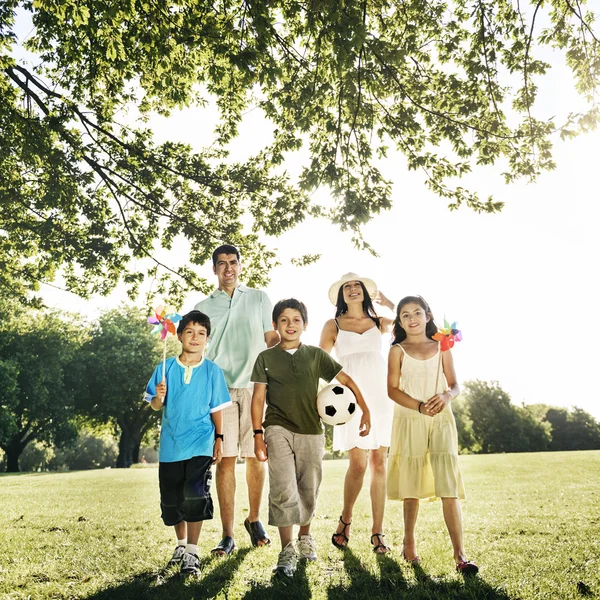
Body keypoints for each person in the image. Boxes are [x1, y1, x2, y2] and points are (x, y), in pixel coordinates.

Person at [251, 299, 371, 577]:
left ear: (305, 325)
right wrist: (258, 434)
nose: (290, 325)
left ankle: (305, 538)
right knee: (282, 485)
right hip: (277, 427)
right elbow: (258, 398)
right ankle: (287, 549)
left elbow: (347, 381)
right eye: (284, 320)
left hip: (311, 431)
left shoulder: (316, 356)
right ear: (275, 325)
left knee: (308, 487)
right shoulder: (265, 358)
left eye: (296, 320)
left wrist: (364, 408)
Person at [195, 244, 279, 555]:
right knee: (226, 459)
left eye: (233, 262)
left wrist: (285, 355)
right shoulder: (204, 307)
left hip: (256, 387)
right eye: (221, 264)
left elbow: (271, 337)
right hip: (220, 390)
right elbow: (198, 348)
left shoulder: (259, 298)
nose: (228, 268)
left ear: (240, 266)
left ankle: (254, 519)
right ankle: (227, 535)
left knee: (257, 456)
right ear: (214, 269)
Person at [386, 296, 478, 574]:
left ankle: (460, 555)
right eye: (405, 315)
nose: (412, 318)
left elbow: (456, 384)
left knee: (448, 483)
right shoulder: (397, 350)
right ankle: (409, 543)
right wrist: (419, 406)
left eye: (417, 312)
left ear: (428, 315)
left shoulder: (443, 345)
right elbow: (392, 389)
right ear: (400, 321)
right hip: (410, 419)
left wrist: (446, 395)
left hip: (441, 419)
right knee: (411, 483)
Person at [145, 310, 231, 576]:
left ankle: (193, 552)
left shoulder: (212, 371)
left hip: (201, 443)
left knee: (195, 493)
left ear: (207, 339)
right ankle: (181, 545)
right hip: (171, 446)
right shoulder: (165, 368)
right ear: (179, 335)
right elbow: (155, 405)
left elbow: (217, 408)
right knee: (172, 501)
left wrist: (219, 438)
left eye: (201, 333)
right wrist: (159, 396)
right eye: (190, 332)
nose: (195, 338)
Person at [319, 273, 396, 554]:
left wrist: (389, 303)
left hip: (381, 395)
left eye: (356, 286)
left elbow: (418, 322)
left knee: (379, 462)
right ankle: (346, 518)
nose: (352, 289)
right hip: (348, 399)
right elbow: (319, 362)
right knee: (359, 464)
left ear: (364, 291)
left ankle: (378, 533)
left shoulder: (379, 322)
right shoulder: (334, 324)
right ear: (341, 296)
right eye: (347, 287)